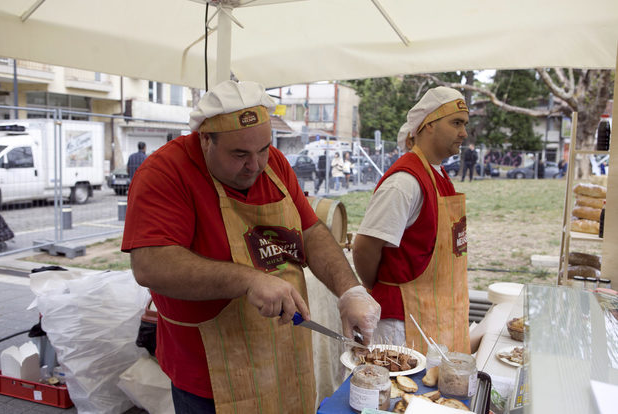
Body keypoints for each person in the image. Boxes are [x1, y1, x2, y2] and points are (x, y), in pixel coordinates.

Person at [121, 80, 380, 413]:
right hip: (210, 374)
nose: (256, 165)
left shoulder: (274, 164)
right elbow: (151, 264)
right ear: (205, 139)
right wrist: (249, 279)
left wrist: (349, 291)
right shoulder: (164, 173)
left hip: (284, 356)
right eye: (239, 154)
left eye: (264, 149)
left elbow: (311, 230)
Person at [352, 86, 471, 355]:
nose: (464, 133)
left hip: (429, 314)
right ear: (428, 125)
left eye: (464, 124)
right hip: (400, 324)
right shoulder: (404, 182)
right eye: (456, 123)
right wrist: (380, 285)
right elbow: (364, 247)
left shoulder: (438, 174)